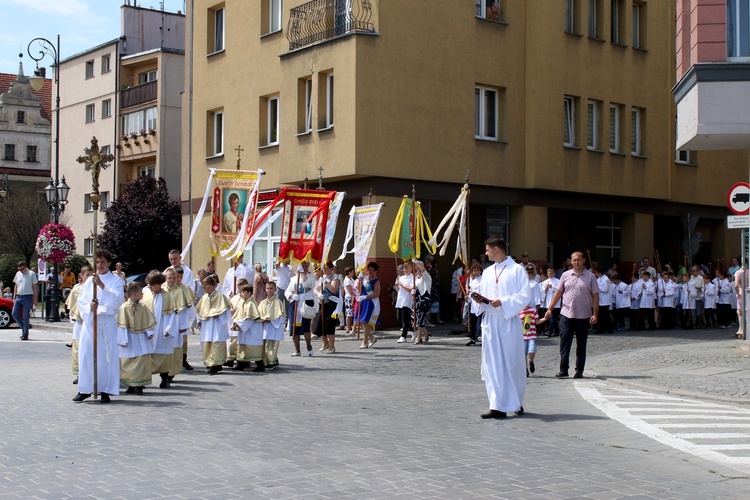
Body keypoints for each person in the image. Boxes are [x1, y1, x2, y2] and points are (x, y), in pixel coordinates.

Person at [472, 237, 530, 419]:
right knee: (492, 364)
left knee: (511, 362)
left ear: (496, 249)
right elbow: (484, 293)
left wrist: (503, 302)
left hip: (508, 320)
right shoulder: (488, 272)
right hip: (490, 321)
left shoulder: (517, 270)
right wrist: (479, 299)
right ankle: (496, 405)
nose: (486, 254)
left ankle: (515, 401)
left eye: (488, 250)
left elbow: (524, 296)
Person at [73, 250, 125, 404]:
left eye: (103, 262)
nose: (100, 265)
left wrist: (102, 286)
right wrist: (90, 307)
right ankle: (85, 388)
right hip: (91, 323)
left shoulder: (115, 281)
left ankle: (105, 389)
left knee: (105, 357)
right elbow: (81, 301)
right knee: (87, 354)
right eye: (97, 262)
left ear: (109, 263)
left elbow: (117, 301)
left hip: (106, 323)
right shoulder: (89, 281)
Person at [544, 251, 599, 379]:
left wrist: (595, 314)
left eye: (578, 260)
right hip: (566, 314)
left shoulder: (590, 277)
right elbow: (558, 293)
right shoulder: (565, 275)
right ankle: (563, 369)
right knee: (564, 342)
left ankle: (579, 370)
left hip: (583, 315)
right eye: (574, 260)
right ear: (571, 261)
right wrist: (550, 309)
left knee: (581, 344)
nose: (576, 262)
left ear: (583, 261)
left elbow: (595, 296)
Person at [117, 282, 157, 395]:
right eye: (141, 292)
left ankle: (139, 385)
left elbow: (147, 321)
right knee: (128, 362)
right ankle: (130, 385)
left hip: (141, 338)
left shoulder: (143, 307)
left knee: (141, 360)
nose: (143, 294)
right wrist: (122, 340)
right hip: (129, 339)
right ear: (134, 293)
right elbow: (121, 325)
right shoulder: (124, 307)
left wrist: (149, 332)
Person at [142, 270, 178, 389]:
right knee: (145, 356)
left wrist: (169, 329)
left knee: (163, 355)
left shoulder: (167, 296)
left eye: (153, 285)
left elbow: (172, 314)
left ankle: (165, 378)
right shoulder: (145, 294)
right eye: (150, 285)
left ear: (159, 284)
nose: (151, 287)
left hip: (162, 329)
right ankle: (142, 380)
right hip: (149, 329)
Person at [196, 275, 232, 374]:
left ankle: (217, 364)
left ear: (212, 286)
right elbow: (199, 311)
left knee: (217, 344)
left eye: (205, 287)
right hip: (207, 324)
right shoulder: (204, 298)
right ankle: (209, 362)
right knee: (207, 343)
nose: (203, 289)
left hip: (217, 325)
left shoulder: (220, 296)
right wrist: (199, 321)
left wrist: (219, 316)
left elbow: (226, 311)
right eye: (203, 287)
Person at [285, 261, 317, 356]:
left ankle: (308, 345)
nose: (304, 267)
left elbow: (308, 284)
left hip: (306, 304)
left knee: (305, 327)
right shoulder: (293, 279)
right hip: (295, 305)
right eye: (302, 266)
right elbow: (287, 291)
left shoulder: (311, 277)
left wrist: (302, 274)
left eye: (306, 266)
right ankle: (297, 350)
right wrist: (292, 295)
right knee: (295, 327)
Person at [67, 265, 93, 385]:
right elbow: (72, 306)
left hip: (91, 322)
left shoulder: (95, 289)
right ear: (81, 276)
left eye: (92, 275)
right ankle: (79, 374)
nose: (89, 278)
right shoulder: (77, 290)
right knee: (78, 348)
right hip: (79, 321)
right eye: (87, 275)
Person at [231, 284, 265, 371]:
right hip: (244, 330)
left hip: (251, 330)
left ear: (249, 293)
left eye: (243, 292)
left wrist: (239, 324)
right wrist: (236, 322)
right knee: (242, 347)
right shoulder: (243, 302)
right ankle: (241, 364)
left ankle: (260, 365)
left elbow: (250, 318)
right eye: (241, 292)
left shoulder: (251, 304)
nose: (241, 293)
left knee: (252, 348)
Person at [314, 260, 340, 353]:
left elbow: (333, 289)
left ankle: (332, 346)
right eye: (323, 268)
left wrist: (325, 282)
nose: (324, 270)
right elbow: (315, 289)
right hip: (322, 304)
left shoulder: (335, 278)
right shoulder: (322, 277)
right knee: (319, 325)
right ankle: (325, 342)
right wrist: (318, 294)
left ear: (331, 268)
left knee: (329, 326)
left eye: (326, 268)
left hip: (331, 304)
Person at [259, 281, 285, 370]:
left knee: (272, 344)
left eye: (271, 288)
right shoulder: (263, 302)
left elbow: (280, 315)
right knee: (265, 343)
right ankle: (265, 360)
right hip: (265, 326)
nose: (269, 290)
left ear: (275, 289)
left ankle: (272, 360)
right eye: (267, 288)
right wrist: (261, 319)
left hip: (273, 326)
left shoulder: (278, 302)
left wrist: (271, 319)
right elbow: (259, 313)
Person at [357, 262, 381, 349]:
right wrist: (360, 279)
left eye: (372, 270)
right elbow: (359, 289)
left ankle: (365, 342)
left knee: (365, 322)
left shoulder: (377, 281)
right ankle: (371, 338)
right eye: (369, 270)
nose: (370, 272)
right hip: (364, 302)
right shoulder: (365, 279)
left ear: (375, 271)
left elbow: (376, 294)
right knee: (363, 323)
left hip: (371, 302)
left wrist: (365, 296)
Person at [12, 260, 38, 341]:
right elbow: (16, 285)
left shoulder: (31, 274)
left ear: (25, 267)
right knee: (14, 313)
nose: (20, 271)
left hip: (28, 296)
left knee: (25, 315)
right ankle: (24, 327)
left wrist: (35, 300)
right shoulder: (18, 274)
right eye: (19, 269)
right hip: (19, 296)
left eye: (22, 269)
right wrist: (14, 296)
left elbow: (35, 287)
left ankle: (25, 334)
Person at [394, 261, 415, 343]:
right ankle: (413, 330)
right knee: (399, 317)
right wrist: (396, 285)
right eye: (404, 268)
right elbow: (398, 289)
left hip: (407, 299)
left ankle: (403, 336)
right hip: (400, 299)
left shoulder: (412, 278)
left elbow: (411, 289)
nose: (406, 270)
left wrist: (402, 285)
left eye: (407, 268)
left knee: (405, 318)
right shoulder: (401, 278)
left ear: (411, 269)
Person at [412, 260, 432, 345]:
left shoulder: (427, 277)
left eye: (418, 267)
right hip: (417, 301)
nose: (417, 269)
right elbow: (414, 289)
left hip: (425, 301)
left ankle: (418, 338)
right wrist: (412, 291)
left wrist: (415, 261)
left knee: (420, 320)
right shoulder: (416, 278)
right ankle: (426, 333)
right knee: (417, 322)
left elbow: (423, 269)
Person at [466, 263, 484, 345]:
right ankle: (472, 339)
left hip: (481, 304)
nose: (476, 272)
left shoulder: (483, 280)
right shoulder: (473, 281)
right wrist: (468, 298)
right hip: (474, 304)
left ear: (481, 271)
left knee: (482, 323)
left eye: (477, 270)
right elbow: (471, 293)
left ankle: (484, 339)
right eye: (474, 270)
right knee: (473, 322)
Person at [342, 266, 357, 334]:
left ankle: (351, 327)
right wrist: (356, 292)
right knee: (349, 313)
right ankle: (348, 327)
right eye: (352, 272)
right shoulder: (347, 280)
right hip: (349, 298)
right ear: (349, 272)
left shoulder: (352, 279)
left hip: (353, 297)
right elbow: (350, 291)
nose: (353, 273)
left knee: (352, 313)